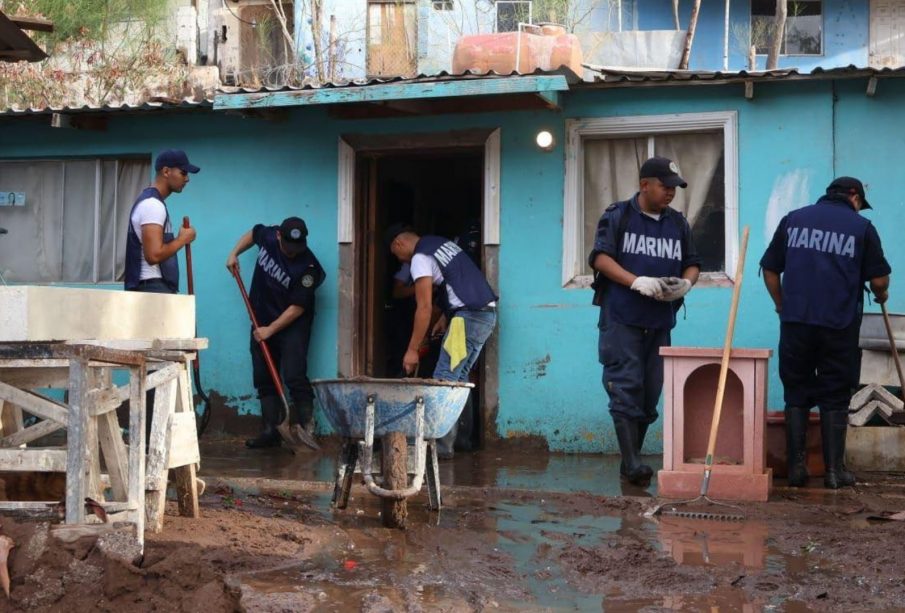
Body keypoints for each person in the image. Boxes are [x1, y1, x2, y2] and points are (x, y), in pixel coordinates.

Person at [760, 177, 890, 489]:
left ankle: (796, 470)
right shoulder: (861, 227)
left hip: (796, 323)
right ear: (854, 196)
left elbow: (769, 269)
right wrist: (881, 295)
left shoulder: (793, 220)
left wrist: (781, 306)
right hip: (839, 325)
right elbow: (880, 280)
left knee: (797, 392)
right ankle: (834, 472)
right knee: (834, 396)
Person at [588, 156, 701, 486]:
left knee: (651, 392)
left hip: (660, 319)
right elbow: (600, 258)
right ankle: (633, 462)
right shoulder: (619, 215)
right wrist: (635, 281)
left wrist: (687, 283)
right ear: (644, 185)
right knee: (625, 386)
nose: (671, 193)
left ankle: (629, 463)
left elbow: (693, 263)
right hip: (622, 318)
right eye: (665, 186)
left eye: (675, 188)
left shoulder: (678, 223)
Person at [386, 224, 497, 459]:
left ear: (398, 244)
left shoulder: (419, 257)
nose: (403, 262)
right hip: (484, 315)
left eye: (397, 256)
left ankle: (440, 448)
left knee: (443, 379)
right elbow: (455, 283)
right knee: (459, 379)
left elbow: (424, 308)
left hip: (466, 318)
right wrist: (445, 316)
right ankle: (463, 441)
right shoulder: (441, 244)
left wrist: (412, 350)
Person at [226, 217, 326, 449]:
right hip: (261, 319)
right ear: (279, 235)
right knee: (263, 377)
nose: (292, 253)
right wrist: (234, 253)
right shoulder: (269, 236)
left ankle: (306, 431)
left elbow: (297, 308)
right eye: (288, 248)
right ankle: (271, 431)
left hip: (292, 325)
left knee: (294, 375)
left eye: (297, 249)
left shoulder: (309, 268)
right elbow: (253, 232)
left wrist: (270, 330)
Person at [124, 150, 199, 294]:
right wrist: (182, 239)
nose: (187, 179)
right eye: (183, 173)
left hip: (153, 286)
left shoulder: (153, 202)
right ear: (166, 172)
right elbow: (153, 255)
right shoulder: (152, 205)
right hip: (152, 286)